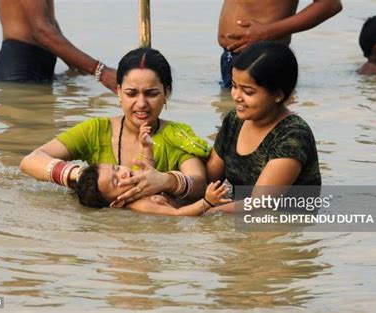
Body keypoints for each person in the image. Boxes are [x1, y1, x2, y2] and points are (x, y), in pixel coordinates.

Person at [20, 47, 210, 204]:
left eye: (151, 93)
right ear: (118, 92)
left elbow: (200, 183)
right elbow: (30, 161)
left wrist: (166, 181)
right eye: (131, 93)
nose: (141, 103)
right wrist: (82, 176)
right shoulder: (97, 130)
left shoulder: (177, 135)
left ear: (166, 93)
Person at [206, 41, 321, 213]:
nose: (236, 96)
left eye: (248, 91)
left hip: (285, 229)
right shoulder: (234, 120)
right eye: (235, 86)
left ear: (278, 95)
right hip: (241, 217)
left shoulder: (293, 135)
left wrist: (206, 212)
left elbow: (260, 204)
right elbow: (209, 177)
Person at [0, 0, 116, 90]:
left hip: (35, 71)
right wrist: (100, 71)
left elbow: (49, 22)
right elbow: (41, 31)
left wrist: (76, 65)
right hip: (18, 77)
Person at [218, 0, 342, 88]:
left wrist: (267, 33)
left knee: (265, 121)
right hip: (232, 57)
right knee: (232, 120)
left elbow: (330, 4)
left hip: (262, 57)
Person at [74, 163, 231, 216]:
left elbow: (150, 172)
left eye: (116, 167)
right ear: (117, 203)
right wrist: (207, 202)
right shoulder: (141, 205)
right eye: (116, 181)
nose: (122, 173)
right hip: (198, 212)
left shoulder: (140, 188)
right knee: (248, 210)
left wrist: (146, 145)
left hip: (191, 204)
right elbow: (177, 214)